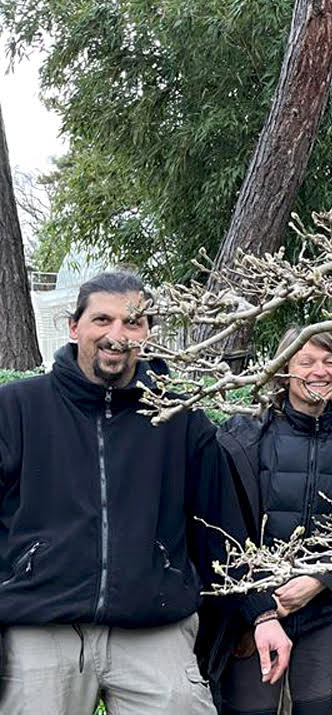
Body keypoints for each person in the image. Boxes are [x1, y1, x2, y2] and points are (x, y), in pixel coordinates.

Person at [0, 271, 252, 714]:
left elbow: (220, 521)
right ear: (74, 327)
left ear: (148, 333)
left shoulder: (180, 417)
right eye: (102, 320)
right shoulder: (16, 408)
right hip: (41, 618)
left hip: (152, 618)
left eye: (132, 323)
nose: (117, 335)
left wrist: (260, 611)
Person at [212, 329, 332, 714]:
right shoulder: (244, 435)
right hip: (252, 613)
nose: (319, 371)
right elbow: (221, 527)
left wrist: (321, 580)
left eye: (329, 361)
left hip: (323, 612)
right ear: (283, 370)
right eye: (306, 361)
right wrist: (258, 608)